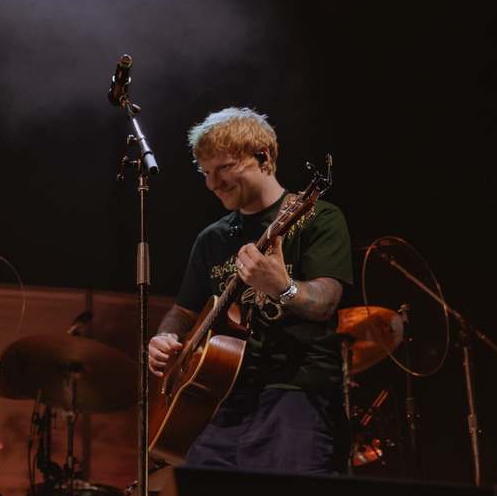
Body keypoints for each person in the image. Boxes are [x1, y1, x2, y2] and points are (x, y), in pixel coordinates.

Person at [148, 107, 352, 475]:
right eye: (206, 173)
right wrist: (166, 337)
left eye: (223, 168)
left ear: (263, 155)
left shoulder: (318, 217)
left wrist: (283, 288)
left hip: (296, 396)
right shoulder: (210, 239)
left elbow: (326, 302)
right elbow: (184, 311)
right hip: (216, 406)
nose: (213, 183)